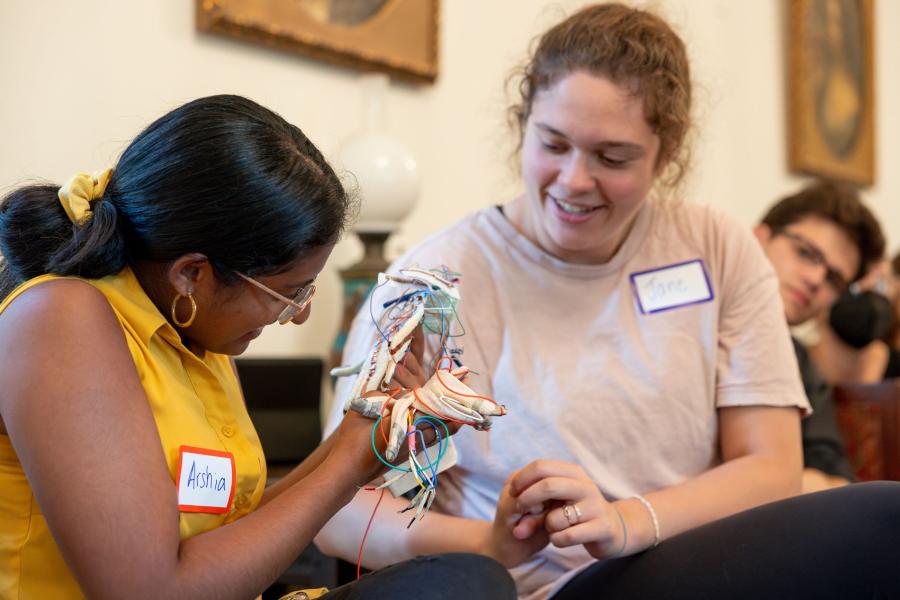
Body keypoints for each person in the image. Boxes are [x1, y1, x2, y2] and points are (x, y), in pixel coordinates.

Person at [317, 5, 900, 599]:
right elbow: (338, 515)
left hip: (694, 562)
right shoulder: (430, 282)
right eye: (553, 143)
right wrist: (489, 542)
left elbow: (771, 466)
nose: (573, 180)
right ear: (523, 122)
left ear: (665, 154)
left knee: (886, 520)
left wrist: (627, 521)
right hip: (545, 586)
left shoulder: (718, 248)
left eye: (612, 158)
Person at [0, 95, 515, 599]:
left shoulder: (198, 334)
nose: (300, 313)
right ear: (192, 275)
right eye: (289, 293)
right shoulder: (61, 317)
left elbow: (234, 539)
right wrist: (348, 468)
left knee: (468, 579)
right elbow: (150, 589)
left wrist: (363, 440)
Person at [753, 180, 885, 492]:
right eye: (806, 253)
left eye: (834, 279)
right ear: (759, 238)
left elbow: (836, 479)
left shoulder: (800, 364)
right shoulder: (684, 325)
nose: (815, 280)